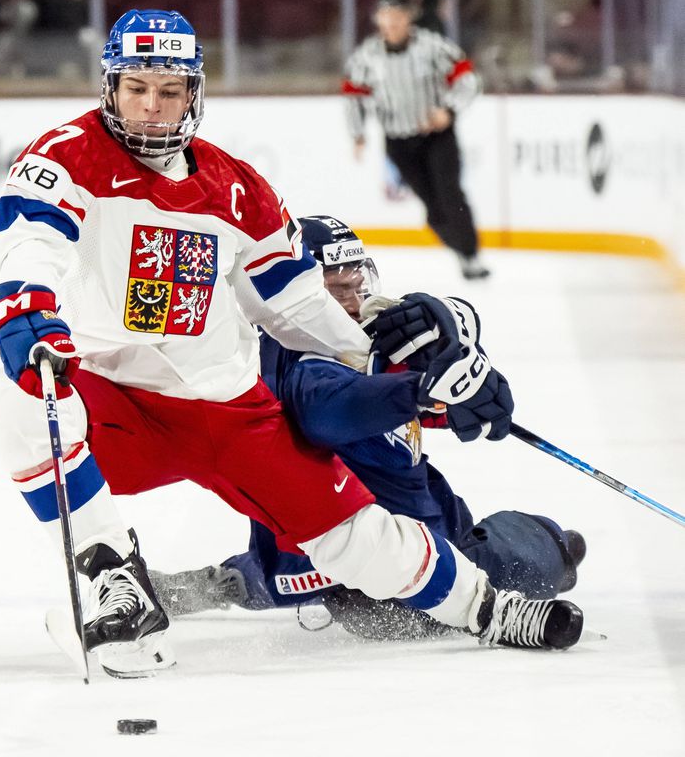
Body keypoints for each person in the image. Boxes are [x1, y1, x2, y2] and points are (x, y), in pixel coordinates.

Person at [0, 8, 583, 678]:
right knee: (23, 398)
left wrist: (409, 376)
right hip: (125, 409)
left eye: (170, 90)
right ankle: (110, 575)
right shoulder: (67, 157)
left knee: (358, 541)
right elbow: (29, 238)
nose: (152, 108)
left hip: (233, 413)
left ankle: (486, 606)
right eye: (137, 88)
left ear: (194, 94)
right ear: (110, 87)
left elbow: (298, 308)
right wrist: (25, 308)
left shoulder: (238, 190)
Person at [151, 216, 587, 640]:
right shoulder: (306, 364)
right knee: (536, 553)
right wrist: (420, 390)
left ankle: (224, 582)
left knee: (288, 565)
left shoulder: (323, 343)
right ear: (297, 295)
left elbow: (412, 394)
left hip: (327, 559)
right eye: (337, 290)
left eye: (358, 285)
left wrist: (458, 385)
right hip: (391, 567)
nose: (356, 303)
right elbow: (336, 410)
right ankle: (550, 550)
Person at [343, 0, 489, 281]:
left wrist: (448, 110)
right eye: (387, 15)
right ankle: (459, 248)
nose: (393, 22)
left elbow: (469, 80)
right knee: (433, 207)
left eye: (398, 15)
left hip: (437, 138)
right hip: (398, 142)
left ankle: (471, 254)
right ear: (378, 20)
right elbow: (354, 97)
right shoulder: (366, 57)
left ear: (409, 17)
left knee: (451, 195)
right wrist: (358, 134)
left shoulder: (434, 47)